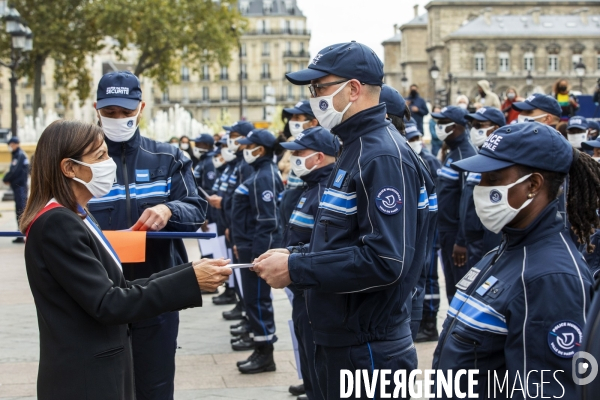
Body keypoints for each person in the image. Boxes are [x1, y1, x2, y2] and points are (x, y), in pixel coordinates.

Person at [254, 41, 432, 399]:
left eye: (320, 87)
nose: (314, 97)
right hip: (343, 337)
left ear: (353, 88)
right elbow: (342, 240)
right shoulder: (355, 148)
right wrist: (295, 255)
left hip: (368, 348)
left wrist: (297, 268)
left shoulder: (381, 155)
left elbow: (385, 260)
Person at [21, 120, 232, 400]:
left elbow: (118, 285)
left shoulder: (78, 214)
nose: (109, 163)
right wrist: (190, 282)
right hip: (84, 379)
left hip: (98, 370)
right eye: (99, 156)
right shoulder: (58, 222)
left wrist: (186, 272)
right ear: (69, 168)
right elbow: (108, 302)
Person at [433, 122, 594, 398]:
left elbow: (546, 390)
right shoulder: (506, 249)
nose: (480, 189)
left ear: (533, 185)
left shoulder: (551, 278)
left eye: (492, 179)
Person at [88, 70, 208, 400]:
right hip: (98, 296)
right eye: (109, 113)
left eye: (125, 112)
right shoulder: (82, 161)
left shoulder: (168, 157)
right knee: (104, 387)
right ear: (95, 108)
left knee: (154, 387)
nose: (118, 119)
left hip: (157, 292)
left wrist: (169, 211)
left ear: (141, 108)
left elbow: (198, 210)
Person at [280, 126, 338, 400]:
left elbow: (325, 247)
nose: (295, 159)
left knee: (320, 369)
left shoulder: (327, 191)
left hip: (317, 294)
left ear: (319, 157)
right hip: (303, 290)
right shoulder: (312, 186)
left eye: (300, 153)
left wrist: (290, 257)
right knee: (309, 362)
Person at [230, 129, 284, 374]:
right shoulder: (258, 172)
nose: (244, 149)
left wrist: (259, 258)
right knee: (252, 301)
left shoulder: (264, 176)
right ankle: (258, 345)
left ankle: (265, 354)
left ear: (260, 149)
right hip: (246, 247)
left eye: (248, 145)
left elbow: (268, 221)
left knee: (258, 301)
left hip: (254, 250)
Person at [431, 106, 477, 305]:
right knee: (451, 286)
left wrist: (462, 241)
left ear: (456, 126)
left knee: (459, 288)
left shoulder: (465, 156)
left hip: (456, 233)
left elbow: (467, 203)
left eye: (443, 123)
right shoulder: (453, 153)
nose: (438, 127)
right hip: (446, 231)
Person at [404, 119, 442, 343]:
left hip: (430, 227)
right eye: (412, 138)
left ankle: (429, 322)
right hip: (424, 227)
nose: (415, 142)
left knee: (428, 275)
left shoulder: (429, 162)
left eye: (417, 138)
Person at [455, 107, 505, 271]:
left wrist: (492, 253)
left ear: (495, 129)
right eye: (473, 125)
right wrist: (461, 240)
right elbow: (466, 203)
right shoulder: (478, 159)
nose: (474, 130)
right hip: (472, 241)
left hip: (485, 242)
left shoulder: (500, 164)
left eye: (480, 125)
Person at [279, 100, 318, 233]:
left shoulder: (318, 148)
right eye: (291, 117)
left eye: (297, 118)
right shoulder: (294, 142)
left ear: (313, 122)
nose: (292, 121)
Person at [3, 136, 29, 243]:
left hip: (20, 187)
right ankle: (21, 233)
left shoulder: (19, 155)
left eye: (11, 145)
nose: (10, 147)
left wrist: (6, 178)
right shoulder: (19, 155)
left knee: (21, 210)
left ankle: (21, 234)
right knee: (20, 210)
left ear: (15, 144)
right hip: (19, 187)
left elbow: (15, 171)